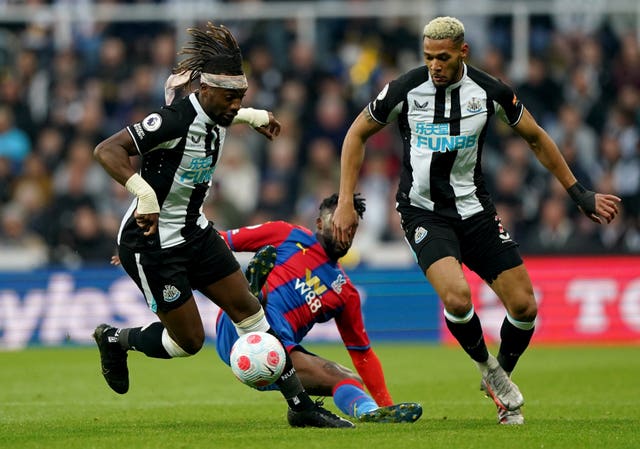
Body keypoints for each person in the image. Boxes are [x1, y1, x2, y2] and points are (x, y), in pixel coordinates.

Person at [331, 16, 621, 425]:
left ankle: (500, 376)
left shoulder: (489, 92)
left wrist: (579, 193)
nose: (434, 65)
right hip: (423, 212)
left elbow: (536, 137)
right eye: (428, 57)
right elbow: (355, 134)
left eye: (443, 58)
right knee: (458, 298)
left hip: (475, 211)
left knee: (524, 307)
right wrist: (346, 200)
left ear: (463, 52)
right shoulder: (404, 89)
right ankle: (489, 369)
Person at [92, 22, 353, 429]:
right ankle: (115, 340)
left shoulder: (218, 111)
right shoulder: (174, 119)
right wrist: (144, 195)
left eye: (241, 98)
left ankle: (300, 407)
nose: (235, 105)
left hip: (196, 232)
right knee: (188, 342)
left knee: (252, 314)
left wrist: (253, 116)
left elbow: (223, 117)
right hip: (152, 244)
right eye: (230, 98)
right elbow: (107, 150)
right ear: (206, 91)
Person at [215, 194, 423, 423]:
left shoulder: (345, 292)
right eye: (339, 224)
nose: (346, 233)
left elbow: (362, 354)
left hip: (279, 355)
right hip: (235, 326)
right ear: (319, 223)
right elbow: (220, 242)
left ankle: (369, 412)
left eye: (352, 228)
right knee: (257, 300)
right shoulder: (286, 234)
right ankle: (253, 296)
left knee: (348, 379)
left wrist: (386, 404)